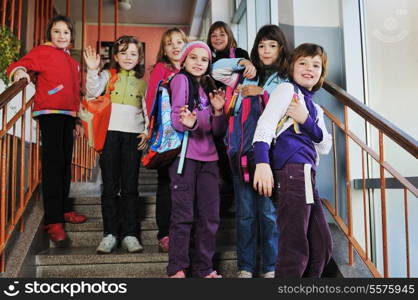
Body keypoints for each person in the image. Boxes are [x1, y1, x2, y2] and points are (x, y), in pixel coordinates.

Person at [212, 24, 291, 278]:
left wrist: (262, 92)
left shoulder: (285, 78)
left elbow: (287, 105)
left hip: (270, 157)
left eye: (272, 45)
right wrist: (243, 62)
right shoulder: (246, 75)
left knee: (268, 214)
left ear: (281, 49)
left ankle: (270, 267)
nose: (266, 51)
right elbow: (216, 69)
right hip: (241, 154)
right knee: (245, 214)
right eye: (261, 45)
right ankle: (245, 267)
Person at [252, 43, 333, 278]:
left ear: (321, 73)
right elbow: (265, 125)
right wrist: (262, 163)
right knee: (295, 248)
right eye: (303, 63)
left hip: (307, 174)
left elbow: (325, 144)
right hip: (291, 170)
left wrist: (306, 120)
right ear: (292, 66)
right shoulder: (287, 90)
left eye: (316, 65)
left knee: (322, 248)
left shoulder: (314, 108)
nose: (309, 68)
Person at [7, 15, 87, 246]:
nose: (61, 35)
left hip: (68, 117)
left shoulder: (73, 62)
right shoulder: (42, 51)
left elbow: (75, 93)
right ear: (49, 34)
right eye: (57, 31)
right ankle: (52, 220)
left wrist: (79, 121)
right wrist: (20, 73)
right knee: (53, 165)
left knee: (64, 164)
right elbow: (18, 65)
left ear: (71, 36)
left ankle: (63, 211)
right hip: (49, 114)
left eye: (66, 32)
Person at [83, 35, 148, 254]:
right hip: (109, 136)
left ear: (139, 58)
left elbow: (148, 111)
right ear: (115, 57)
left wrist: (146, 131)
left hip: (133, 137)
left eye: (133, 53)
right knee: (110, 186)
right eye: (123, 53)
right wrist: (92, 70)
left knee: (130, 187)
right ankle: (110, 234)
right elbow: (92, 92)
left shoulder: (143, 83)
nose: (128, 57)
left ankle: (130, 234)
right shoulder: (107, 76)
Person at [167, 41, 226, 278]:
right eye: (194, 58)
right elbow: (175, 116)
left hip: (209, 159)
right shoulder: (181, 80)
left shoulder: (208, 87)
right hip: (185, 157)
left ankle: (205, 268)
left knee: (210, 217)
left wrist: (219, 112)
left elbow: (218, 131)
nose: (199, 63)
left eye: (204, 59)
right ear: (184, 60)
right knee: (183, 216)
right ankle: (177, 269)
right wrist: (186, 123)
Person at [144, 28, 188, 253]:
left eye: (179, 42)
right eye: (170, 43)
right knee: (166, 185)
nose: (175, 46)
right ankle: (165, 233)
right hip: (167, 138)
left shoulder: (194, 67)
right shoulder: (160, 69)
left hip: (192, 138)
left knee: (186, 185)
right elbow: (150, 99)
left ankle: (184, 232)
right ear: (164, 48)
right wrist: (147, 129)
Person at [206, 21, 249, 215]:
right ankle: (225, 200)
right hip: (216, 114)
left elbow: (249, 80)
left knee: (235, 157)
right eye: (213, 35)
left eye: (222, 34)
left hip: (238, 114)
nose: (218, 38)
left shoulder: (240, 54)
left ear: (229, 35)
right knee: (221, 159)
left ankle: (235, 199)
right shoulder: (206, 59)